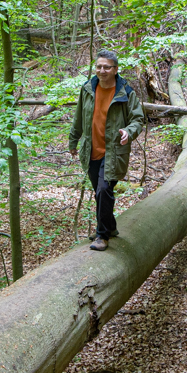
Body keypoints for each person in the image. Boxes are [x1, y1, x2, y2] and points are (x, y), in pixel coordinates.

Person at [68, 49, 145, 250]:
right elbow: (78, 117)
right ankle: (110, 226)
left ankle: (102, 236)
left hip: (113, 153)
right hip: (91, 150)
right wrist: (73, 141)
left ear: (115, 69)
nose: (102, 71)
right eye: (99, 67)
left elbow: (138, 119)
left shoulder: (126, 93)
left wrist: (129, 131)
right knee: (101, 192)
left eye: (107, 67)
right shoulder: (87, 89)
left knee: (104, 190)